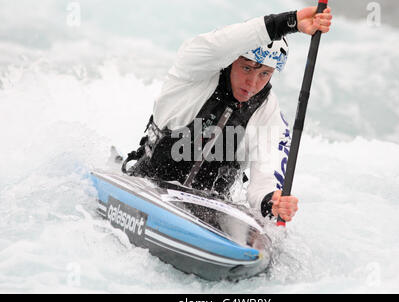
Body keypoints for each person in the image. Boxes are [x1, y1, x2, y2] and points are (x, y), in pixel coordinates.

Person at [124, 6, 333, 223]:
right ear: (232, 60)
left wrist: (272, 201)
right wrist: (289, 22)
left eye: (264, 73)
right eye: (247, 68)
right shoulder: (193, 71)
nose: (253, 83)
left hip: (207, 212)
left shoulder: (268, 111)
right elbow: (222, 43)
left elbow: (264, 181)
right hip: (147, 185)